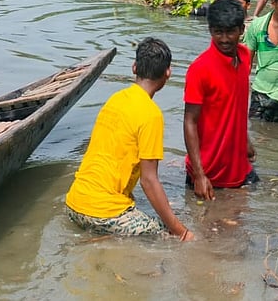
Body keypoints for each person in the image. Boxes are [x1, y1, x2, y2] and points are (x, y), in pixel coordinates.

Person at [64, 38, 193, 240]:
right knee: (167, 236)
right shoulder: (151, 115)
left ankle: (100, 236)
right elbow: (149, 181)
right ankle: (104, 238)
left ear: (134, 67)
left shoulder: (115, 100)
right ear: (168, 72)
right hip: (102, 214)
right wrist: (182, 231)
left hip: (74, 204)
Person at [184, 0, 257, 199]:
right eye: (218, 32)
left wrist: (246, 140)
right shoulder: (200, 69)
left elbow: (236, 105)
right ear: (210, 31)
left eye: (230, 32)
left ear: (241, 30)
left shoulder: (245, 56)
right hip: (209, 173)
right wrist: (199, 175)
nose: (224, 39)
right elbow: (190, 121)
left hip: (239, 166)